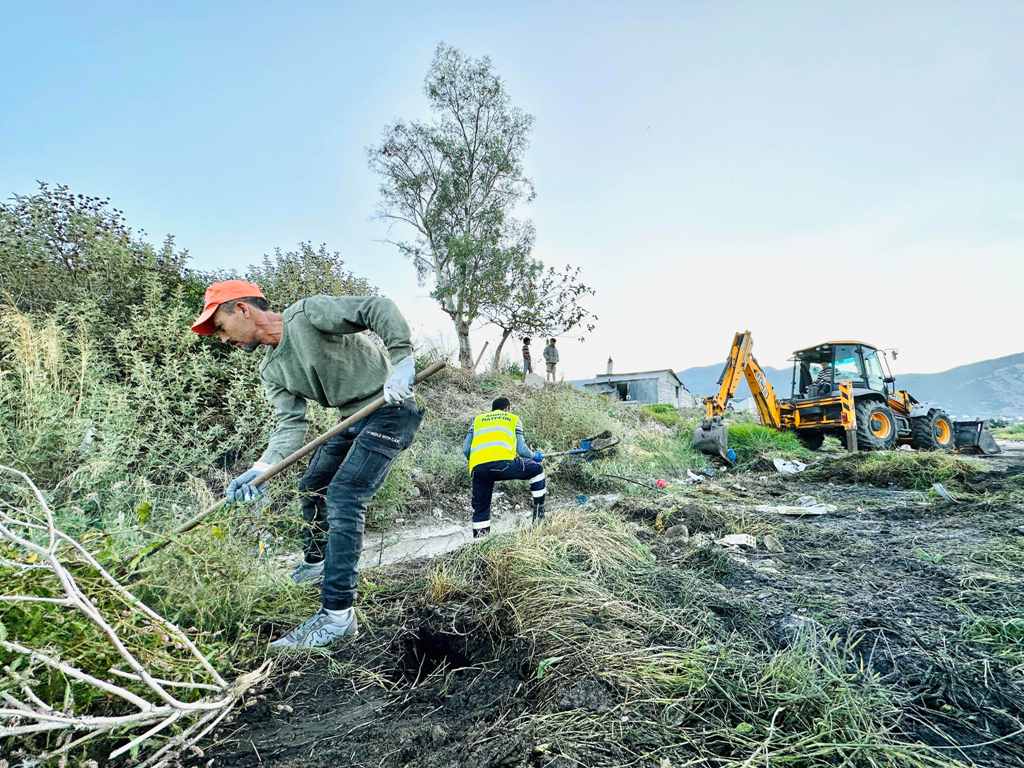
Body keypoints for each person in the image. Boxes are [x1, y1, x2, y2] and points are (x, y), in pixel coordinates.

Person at [190, 279, 423, 650]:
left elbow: (377, 308)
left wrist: (402, 361)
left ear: (242, 309)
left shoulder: (308, 314)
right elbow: (289, 424)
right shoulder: (270, 371)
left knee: (344, 495)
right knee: (312, 484)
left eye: (219, 326)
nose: (221, 338)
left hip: (389, 408)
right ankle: (317, 565)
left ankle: (337, 617)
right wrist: (262, 468)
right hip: (352, 416)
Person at [463, 397, 546, 536]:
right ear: (507, 408)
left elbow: (466, 449)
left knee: (481, 508)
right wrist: (534, 456)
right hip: (504, 465)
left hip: (479, 468)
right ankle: (539, 516)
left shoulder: (477, 420)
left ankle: (480, 544)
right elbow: (522, 450)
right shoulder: (513, 419)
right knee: (537, 470)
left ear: (492, 409)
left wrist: (478, 464)